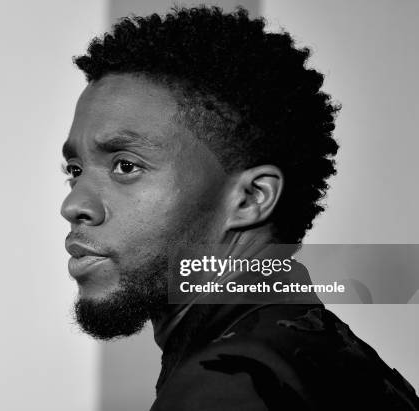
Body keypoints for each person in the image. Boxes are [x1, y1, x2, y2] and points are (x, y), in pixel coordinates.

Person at [60, 6, 419, 410]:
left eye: (126, 166)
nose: (73, 204)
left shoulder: (229, 386)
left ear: (250, 199)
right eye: (74, 170)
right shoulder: (326, 356)